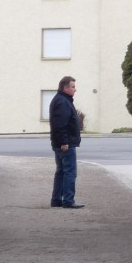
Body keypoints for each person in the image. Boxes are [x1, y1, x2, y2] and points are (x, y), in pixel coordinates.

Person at [49, 75, 85, 208]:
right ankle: (68, 201)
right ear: (65, 88)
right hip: (66, 144)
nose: (75, 90)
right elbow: (60, 124)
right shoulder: (63, 102)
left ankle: (56, 199)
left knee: (61, 172)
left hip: (61, 143)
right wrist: (64, 142)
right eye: (73, 87)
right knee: (69, 172)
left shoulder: (62, 100)